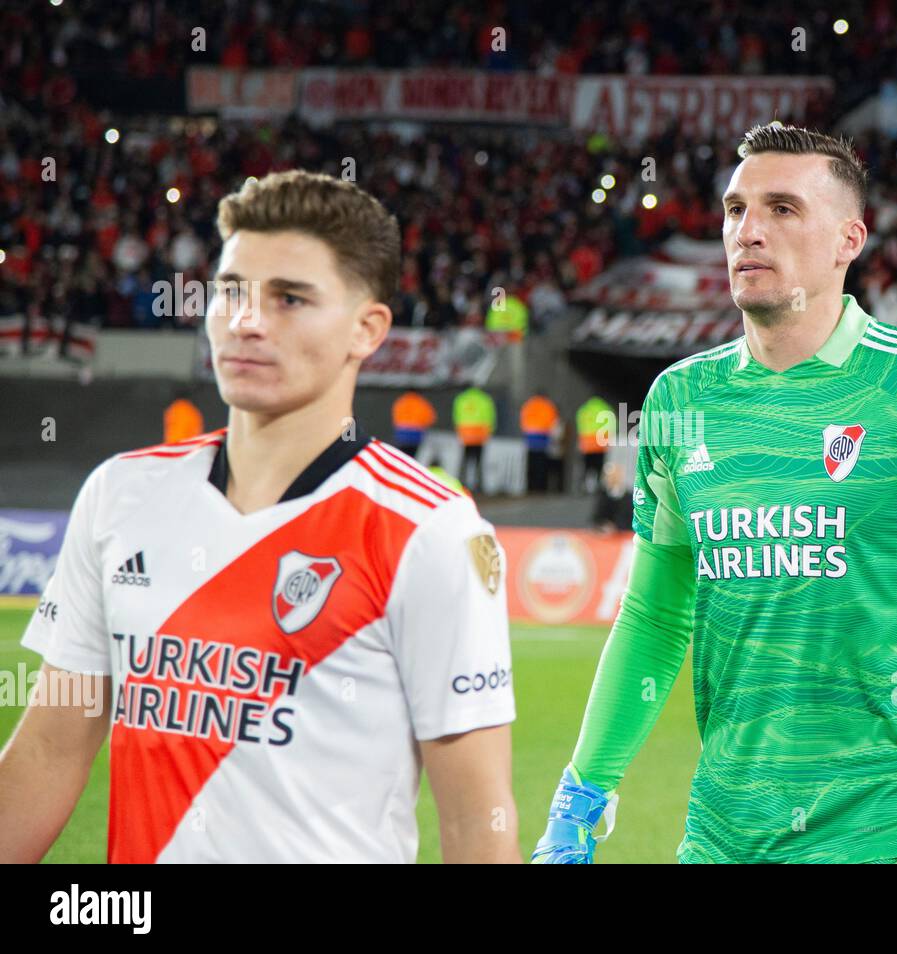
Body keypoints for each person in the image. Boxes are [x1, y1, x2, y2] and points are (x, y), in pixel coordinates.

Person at [533, 123, 897, 864]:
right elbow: (652, 616)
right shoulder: (681, 399)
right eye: (736, 210)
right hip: (721, 837)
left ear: (848, 240)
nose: (748, 231)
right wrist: (582, 794)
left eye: (782, 209)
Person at [0, 171, 518, 864]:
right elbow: (47, 748)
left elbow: (475, 823)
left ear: (367, 329)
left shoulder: (429, 532)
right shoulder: (120, 495)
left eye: (290, 298)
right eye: (231, 292)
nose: (246, 320)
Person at [453, 385, 495, 494]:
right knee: (479, 461)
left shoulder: (461, 398)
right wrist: (490, 431)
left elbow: (456, 416)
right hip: (480, 434)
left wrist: (458, 430)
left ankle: (461, 484)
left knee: (465, 460)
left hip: (465, 434)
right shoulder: (485, 398)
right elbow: (490, 416)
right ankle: (479, 485)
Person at [520, 391, 559, 493]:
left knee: (531, 463)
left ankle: (530, 487)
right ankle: (541, 487)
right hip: (543, 436)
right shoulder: (548, 405)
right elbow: (553, 422)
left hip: (530, 436)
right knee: (541, 464)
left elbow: (523, 419)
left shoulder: (528, 404)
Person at [590, 459, 633, 534]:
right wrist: (604, 525)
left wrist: (617, 527)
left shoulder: (629, 497)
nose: (610, 479)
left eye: (614, 476)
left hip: (624, 535)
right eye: (608, 476)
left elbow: (631, 519)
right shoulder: (602, 496)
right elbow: (596, 517)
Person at [391, 390, 436, 459]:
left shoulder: (401, 401)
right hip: (416, 433)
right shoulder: (421, 402)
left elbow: (395, 416)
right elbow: (430, 418)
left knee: (401, 456)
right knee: (413, 456)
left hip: (401, 432)